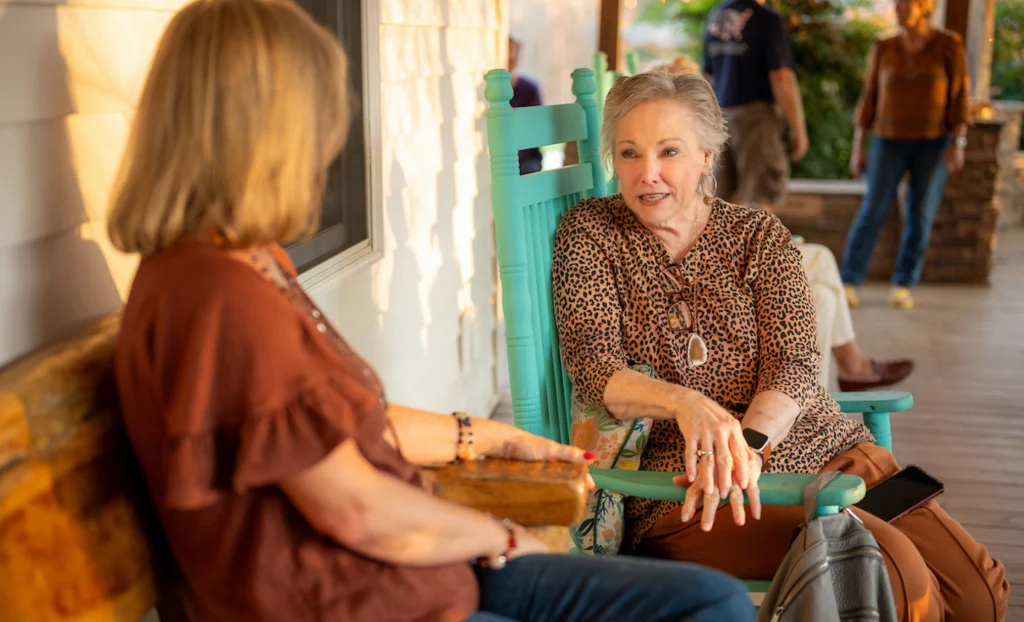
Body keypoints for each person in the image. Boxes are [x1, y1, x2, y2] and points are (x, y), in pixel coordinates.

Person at [105, 1, 754, 620]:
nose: (330, 147)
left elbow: (341, 425)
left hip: (411, 576)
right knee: (709, 606)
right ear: (265, 135)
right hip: (359, 599)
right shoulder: (218, 298)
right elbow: (355, 510)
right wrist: (494, 533)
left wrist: (494, 435)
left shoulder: (249, 263)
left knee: (710, 600)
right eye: (319, 122)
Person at [552, 70, 1008, 622]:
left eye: (668, 151)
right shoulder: (591, 234)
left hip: (827, 455)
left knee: (979, 592)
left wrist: (747, 447)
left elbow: (794, 363)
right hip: (695, 492)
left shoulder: (757, 234)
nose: (647, 174)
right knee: (892, 576)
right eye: (628, 154)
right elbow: (596, 370)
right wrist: (686, 403)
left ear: (705, 155)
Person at [662, 56, 913, 391]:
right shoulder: (664, 159)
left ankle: (818, 397)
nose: (700, 103)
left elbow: (711, 218)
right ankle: (833, 385)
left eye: (700, 93)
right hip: (709, 279)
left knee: (821, 281)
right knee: (820, 277)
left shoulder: (691, 149)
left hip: (722, 260)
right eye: (688, 94)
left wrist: (760, 240)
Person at [842, 0, 972, 310]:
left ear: (923, 6)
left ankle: (903, 283)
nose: (897, 9)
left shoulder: (949, 45)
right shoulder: (884, 46)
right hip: (888, 141)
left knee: (921, 213)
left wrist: (958, 143)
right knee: (873, 209)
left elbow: (960, 97)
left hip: (933, 142)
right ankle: (848, 280)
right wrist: (858, 147)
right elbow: (869, 97)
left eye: (903, 4)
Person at [701, 0, 808, 209]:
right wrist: (798, 128)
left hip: (719, 116)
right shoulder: (767, 18)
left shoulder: (716, 14)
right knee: (759, 202)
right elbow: (782, 78)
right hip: (756, 117)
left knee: (719, 202)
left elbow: (707, 75)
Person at [508, 35, 545, 175]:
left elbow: (538, 128)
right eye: (507, 50)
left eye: (514, 50)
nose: (511, 56)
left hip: (526, 161)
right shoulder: (486, 91)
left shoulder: (530, 88)